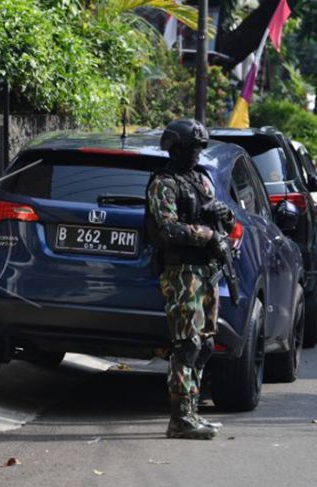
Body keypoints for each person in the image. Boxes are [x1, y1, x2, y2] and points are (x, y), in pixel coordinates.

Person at [146, 119, 235, 440]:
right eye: (193, 147)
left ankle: (193, 411)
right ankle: (180, 417)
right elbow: (168, 229)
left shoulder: (200, 180)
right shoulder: (164, 184)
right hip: (182, 271)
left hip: (206, 271)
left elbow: (219, 216)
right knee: (188, 343)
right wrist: (210, 235)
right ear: (177, 148)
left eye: (200, 147)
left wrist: (222, 215)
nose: (198, 153)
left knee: (207, 344)